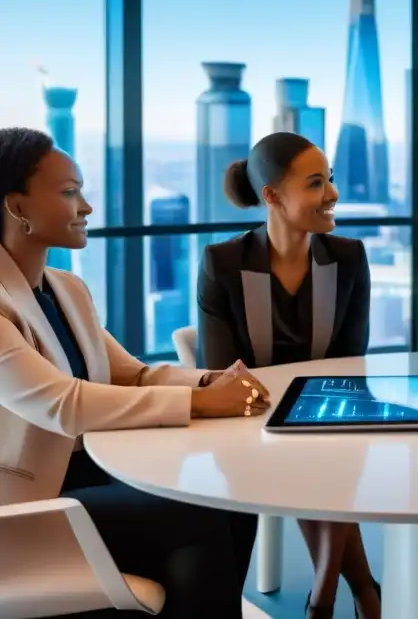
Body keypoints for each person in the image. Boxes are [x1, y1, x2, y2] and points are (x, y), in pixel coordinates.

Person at [0, 128, 268, 619]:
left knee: (229, 499)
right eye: (68, 192)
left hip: (93, 475)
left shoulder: (66, 289)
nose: (86, 207)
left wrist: (209, 382)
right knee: (196, 514)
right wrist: (204, 404)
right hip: (25, 505)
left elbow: (131, 375)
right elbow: (64, 404)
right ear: (16, 206)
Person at [197, 131, 380, 619]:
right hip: (248, 426)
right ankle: (355, 593)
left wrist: (311, 411)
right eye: (316, 184)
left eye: (331, 180)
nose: (333, 195)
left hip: (328, 414)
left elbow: (349, 365)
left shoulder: (348, 258)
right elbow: (222, 375)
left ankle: (325, 598)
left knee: (324, 443)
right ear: (273, 197)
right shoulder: (224, 264)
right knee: (311, 452)